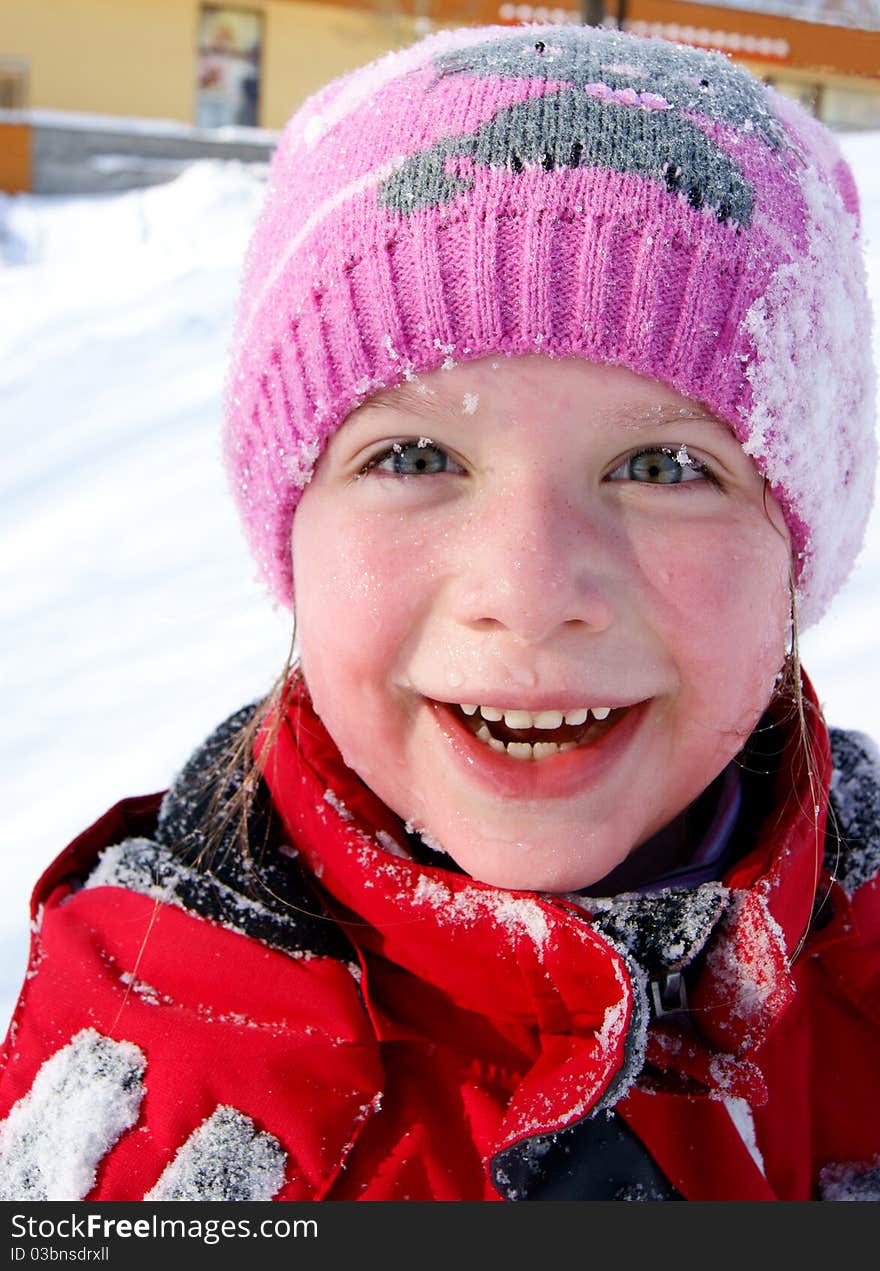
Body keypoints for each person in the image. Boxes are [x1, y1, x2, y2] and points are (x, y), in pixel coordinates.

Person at [1, 21, 878, 1203]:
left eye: (667, 467)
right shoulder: (140, 1085)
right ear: (291, 529)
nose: (525, 592)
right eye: (413, 452)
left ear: (800, 547)